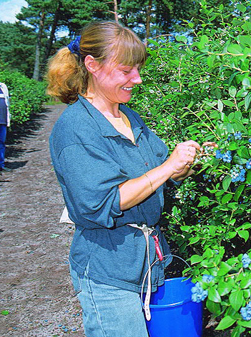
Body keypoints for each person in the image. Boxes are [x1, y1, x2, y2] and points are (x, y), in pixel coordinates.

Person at [46, 21, 213, 337]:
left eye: (137, 69)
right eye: (126, 71)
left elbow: (164, 170)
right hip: (109, 272)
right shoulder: (75, 129)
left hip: (148, 264)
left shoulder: (127, 116)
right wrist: (166, 168)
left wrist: (193, 160)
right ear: (92, 66)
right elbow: (105, 202)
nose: (136, 79)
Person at [0, 67, 11, 172]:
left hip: (2, 120)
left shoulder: (2, 86)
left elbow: (7, 103)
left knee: (1, 142)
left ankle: (0, 165)